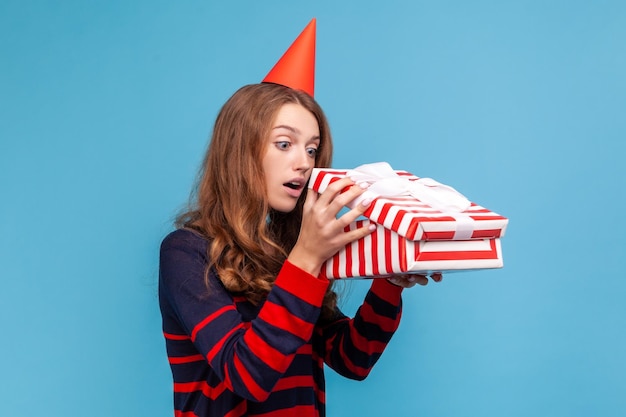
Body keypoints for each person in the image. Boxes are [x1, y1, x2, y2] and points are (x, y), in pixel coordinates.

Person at [159, 20, 441, 417]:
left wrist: (389, 283)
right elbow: (246, 375)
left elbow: (353, 359)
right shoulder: (186, 253)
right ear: (240, 151)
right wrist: (306, 260)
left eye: (312, 150)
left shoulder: (293, 254)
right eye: (285, 143)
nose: (303, 163)